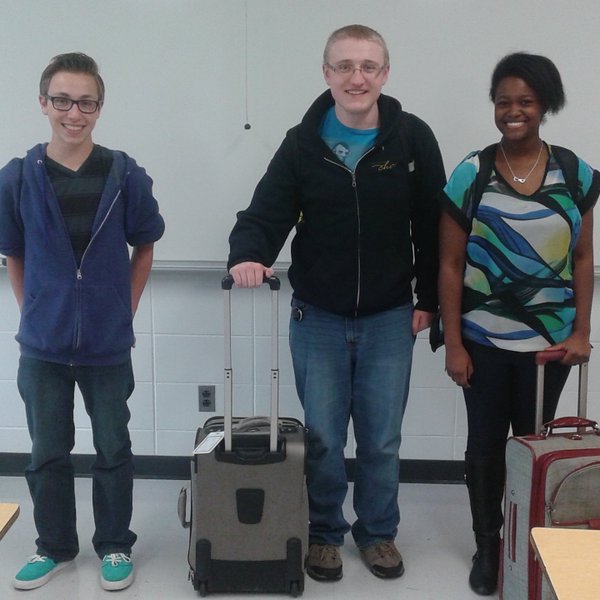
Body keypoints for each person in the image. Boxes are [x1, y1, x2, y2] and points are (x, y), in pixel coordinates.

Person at [227, 25, 445, 582]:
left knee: (381, 438)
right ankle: (324, 533)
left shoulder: (412, 139)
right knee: (322, 437)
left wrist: (430, 301)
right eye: (345, 66)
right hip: (317, 316)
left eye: (369, 66)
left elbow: (433, 228)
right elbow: (266, 210)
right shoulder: (302, 142)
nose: (357, 77)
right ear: (326, 74)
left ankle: (377, 534)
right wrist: (248, 254)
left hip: (391, 316)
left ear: (385, 74)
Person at [0, 53, 165, 591]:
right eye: (63, 100)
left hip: (106, 345)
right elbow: (14, 255)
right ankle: (54, 547)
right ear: (44, 103)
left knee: (114, 448)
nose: (75, 112)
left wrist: (127, 306)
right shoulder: (18, 176)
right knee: (48, 451)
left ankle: (115, 545)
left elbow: (146, 243)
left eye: (86, 102)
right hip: (42, 347)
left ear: (99, 107)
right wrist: (34, 312)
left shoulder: (123, 172)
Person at [438, 52, 599, 596]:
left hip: (549, 348)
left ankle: (528, 545)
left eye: (525, 102)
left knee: (532, 448)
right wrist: (454, 343)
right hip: (484, 342)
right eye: (504, 102)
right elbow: (450, 265)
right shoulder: (471, 173)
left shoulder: (574, 173)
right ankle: (489, 547)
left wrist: (580, 332)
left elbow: (581, 261)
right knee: (485, 447)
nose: (513, 111)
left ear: (544, 106)